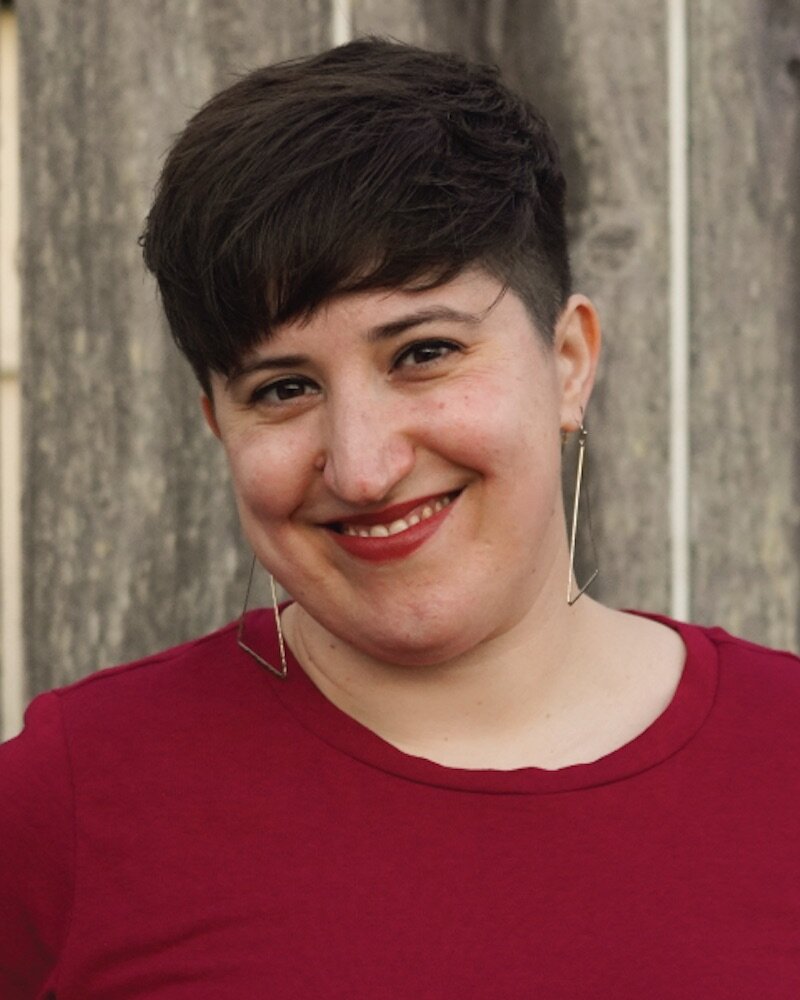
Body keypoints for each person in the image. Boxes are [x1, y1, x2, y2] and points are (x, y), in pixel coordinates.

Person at [1, 37, 798, 999]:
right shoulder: (66, 805)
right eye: (284, 386)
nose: (365, 466)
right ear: (218, 425)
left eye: (423, 353)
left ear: (570, 361)